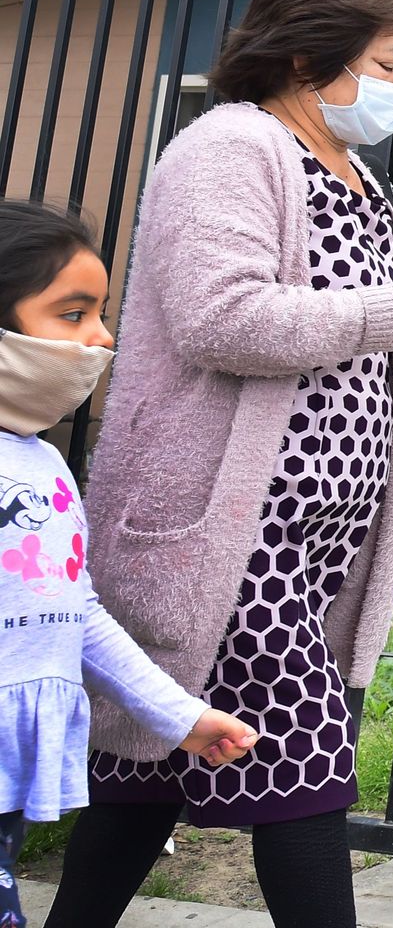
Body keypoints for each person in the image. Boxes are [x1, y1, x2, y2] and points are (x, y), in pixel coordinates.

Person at [46, 0, 393, 927]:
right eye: (390, 62)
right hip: (229, 536)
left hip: (310, 543)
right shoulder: (231, 150)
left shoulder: (356, 179)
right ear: (308, 60)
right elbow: (225, 318)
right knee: (300, 766)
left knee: (154, 771)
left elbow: (353, 329)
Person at [0, 201, 259, 928]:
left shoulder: (43, 463)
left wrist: (180, 716)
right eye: (73, 313)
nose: (102, 336)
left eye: (101, 312)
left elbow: (72, 611)